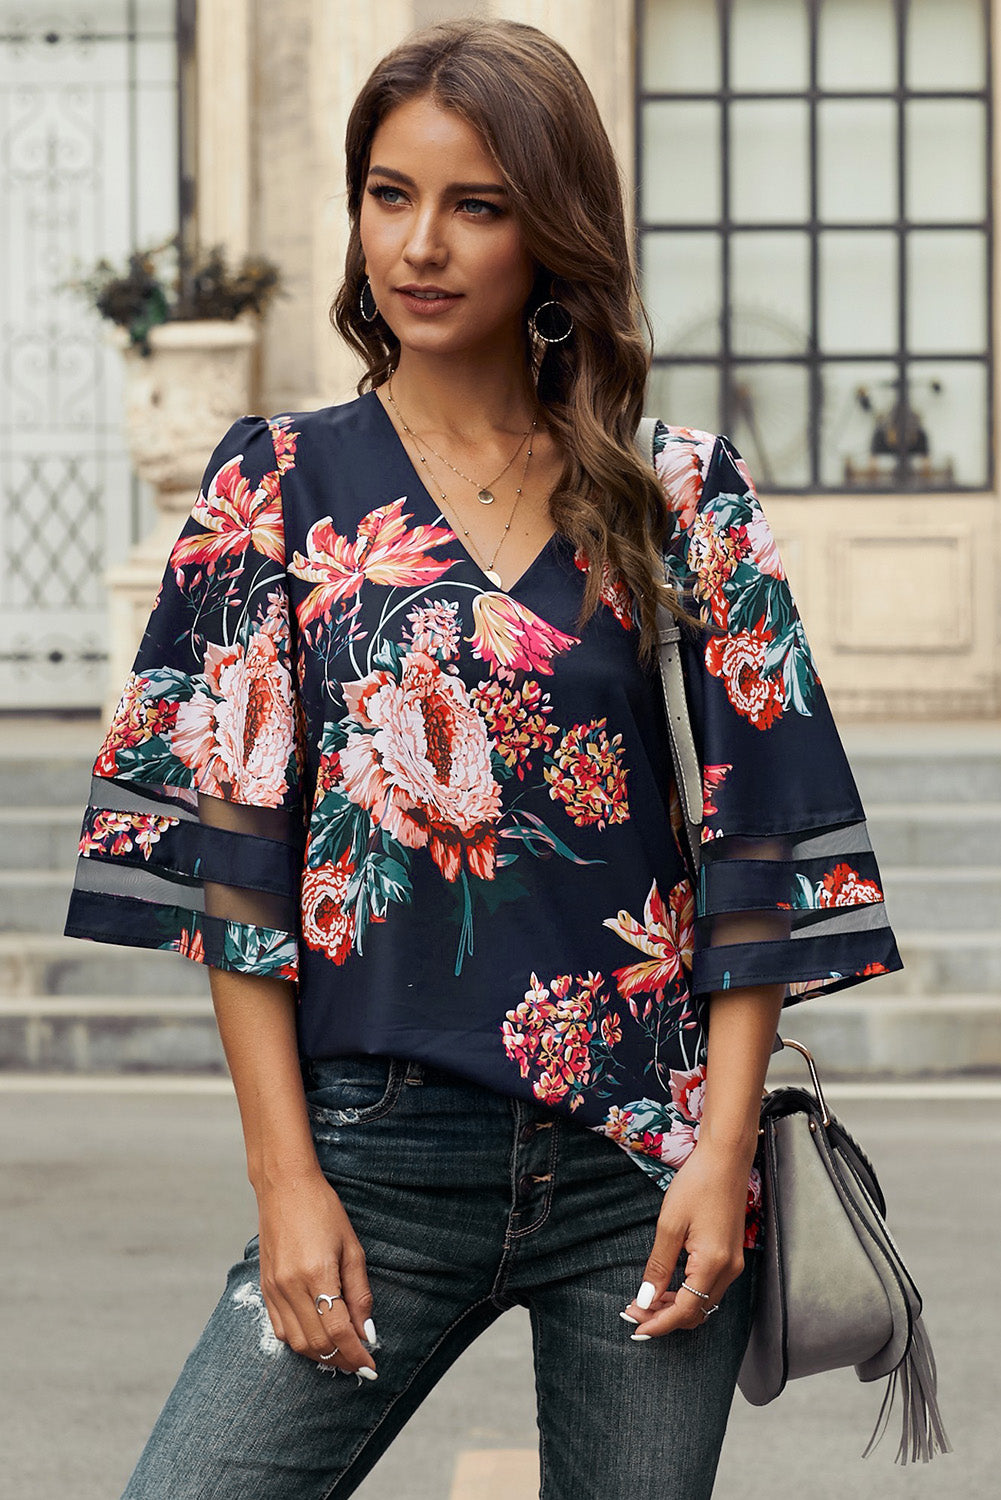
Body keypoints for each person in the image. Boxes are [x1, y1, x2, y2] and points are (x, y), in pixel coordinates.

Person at [64, 17, 902, 1500]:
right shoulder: (277, 486)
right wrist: (286, 1181)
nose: (421, 245)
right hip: (376, 1151)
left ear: (552, 229)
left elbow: (757, 844)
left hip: (640, 1157)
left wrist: (718, 1157)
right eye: (389, 195)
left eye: (477, 203)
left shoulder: (677, 492)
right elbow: (233, 869)